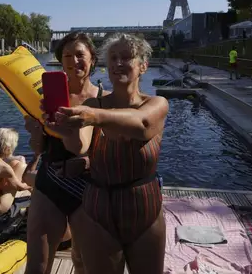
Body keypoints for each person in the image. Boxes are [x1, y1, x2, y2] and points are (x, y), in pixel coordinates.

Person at [45, 33, 169, 274]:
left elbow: (142, 126)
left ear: (143, 66)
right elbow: (78, 147)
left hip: (145, 208)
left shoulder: (157, 104)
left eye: (126, 57)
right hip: (99, 209)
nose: (118, 63)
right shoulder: (93, 106)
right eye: (113, 58)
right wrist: (65, 130)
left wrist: (93, 117)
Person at [24, 32, 108, 274]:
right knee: (37, 265)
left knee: (82, 262)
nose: (73, 61)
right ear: (61, 61)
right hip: (50, 181)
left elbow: (114, 149)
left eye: (80, 54)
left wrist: (90, 161)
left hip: (89, 188)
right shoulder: (46, 98)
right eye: (67, 55)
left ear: (92, 58)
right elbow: (39, 148)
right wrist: (35, 132)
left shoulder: (104, 100)